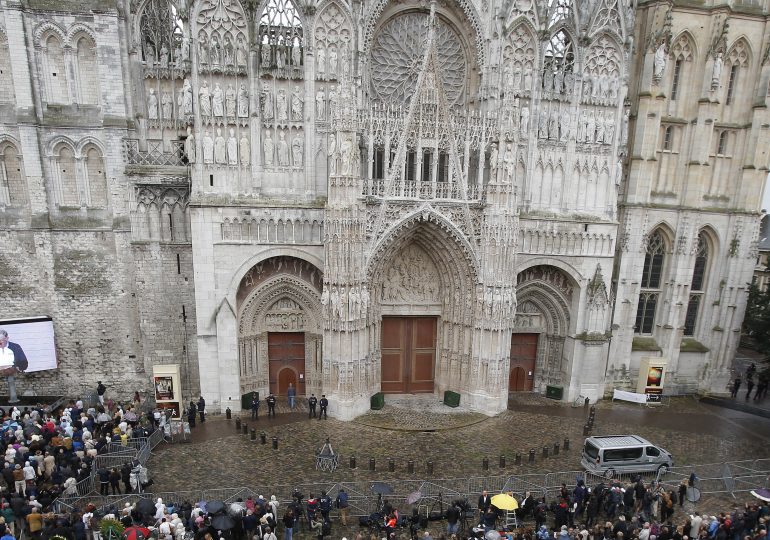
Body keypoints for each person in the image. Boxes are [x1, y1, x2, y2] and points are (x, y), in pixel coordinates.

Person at [0, 329, 28, 404]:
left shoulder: (15, 347)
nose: (0, 342)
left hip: (11, 370)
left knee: (11, 381)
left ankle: (13, 399)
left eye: (2, 340)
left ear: (7, 338)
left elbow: (23, 361)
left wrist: (16, 368)